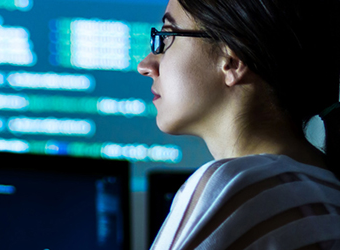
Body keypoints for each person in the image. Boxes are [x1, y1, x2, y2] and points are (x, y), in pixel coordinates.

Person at [137, 0, 340, 249]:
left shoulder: (232, 185)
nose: (145, 65)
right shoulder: (328, 189)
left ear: (232, 61)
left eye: (166, 37)